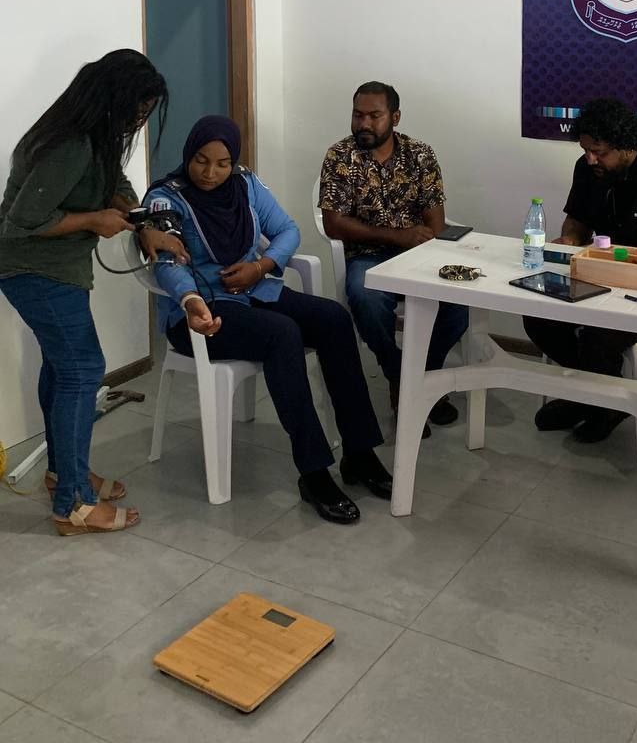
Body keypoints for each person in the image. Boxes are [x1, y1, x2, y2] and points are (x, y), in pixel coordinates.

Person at [146, 115, 391, 525]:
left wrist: (261, 266)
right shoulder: (166, 199)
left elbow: (288, 231)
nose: (210, 173)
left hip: (254, 290)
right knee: (282, 334)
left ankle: (359, 452)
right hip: (202, 312)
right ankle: (314, 472)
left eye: (222, 163)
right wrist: (190, 300)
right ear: (188, 154)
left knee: (333, 319)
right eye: (201, 160)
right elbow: (167, 264)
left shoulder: (245, 185)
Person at [0, 49, 182, 535]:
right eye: (138, 111)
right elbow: (22, 222)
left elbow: (115, 181)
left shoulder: (94, 135)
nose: (140, 122)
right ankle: (74, 504)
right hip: (33, 270)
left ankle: (64, 475)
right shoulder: (71, 143)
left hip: (56, 270)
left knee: (64, 367)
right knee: (82, 370)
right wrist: (93, 220)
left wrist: (141, 222)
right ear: (112, 98)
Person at [524, 97, 637, 443]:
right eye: (586, 150)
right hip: (595, 277)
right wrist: (569, 241)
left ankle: (601, 403)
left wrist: (633, 265)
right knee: (539, 318)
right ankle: (597, 397)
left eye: (599, 152)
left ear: (626, 146)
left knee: (597, 337)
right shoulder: (587, 169)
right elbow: (576, 223)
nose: (591, 159)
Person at [319, 81, 468, 434]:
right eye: (358, 115)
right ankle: (400, 376)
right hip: (367, 256)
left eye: (374, 115)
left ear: (395, 117)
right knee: (365, 298)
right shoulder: (340, 156)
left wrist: (415, 243)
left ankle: (419, 378)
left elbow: (435, 223)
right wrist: (396, 235)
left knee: (458, 305)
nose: (364, 123)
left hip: (419, 255)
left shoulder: (420, 154)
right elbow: (334, 223)